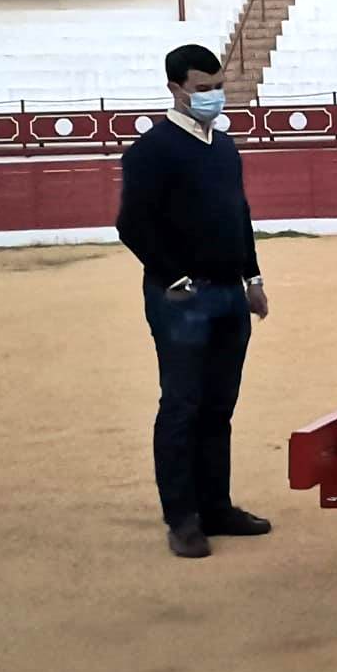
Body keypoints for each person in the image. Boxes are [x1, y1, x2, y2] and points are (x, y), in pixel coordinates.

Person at [116, 45, 272, 559]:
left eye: (217, 86)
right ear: (175, 89)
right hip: (182, 296)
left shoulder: (223, 147)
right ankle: (182, 518)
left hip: (228, 292)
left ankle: (216, 507)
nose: (213, 96)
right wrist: (173, 276)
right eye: (203, 88)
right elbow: (131, 224)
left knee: (218, 405)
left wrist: (252, 278)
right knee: (182, 405)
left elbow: (239, 216)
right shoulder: (151, 151)